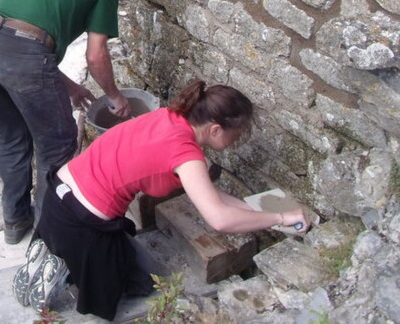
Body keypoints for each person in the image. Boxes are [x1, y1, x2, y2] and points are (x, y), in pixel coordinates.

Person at [19, 80, 311, 319]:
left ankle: (52, 252)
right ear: (215, 130)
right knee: (128, 288)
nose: (238, 140)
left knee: (129, 262)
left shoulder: (169, 116)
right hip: (82, 222)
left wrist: (256, 207)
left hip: (58, 194)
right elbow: (219, 219)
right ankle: (64, 269)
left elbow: (208, 194)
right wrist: (281, 219)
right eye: (237, 134)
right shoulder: (186, 156)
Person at [0, 0, 132, 245]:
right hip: (23, 56)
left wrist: (68, 85)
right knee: (57, 144)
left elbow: (22, 32)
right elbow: (96, 55)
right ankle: (48, 237)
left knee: (12, 137)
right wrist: (114, 96)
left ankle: (15, 222)